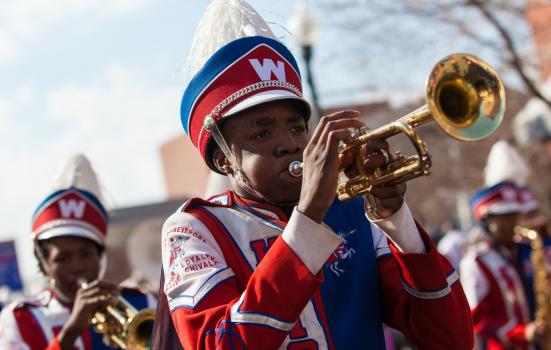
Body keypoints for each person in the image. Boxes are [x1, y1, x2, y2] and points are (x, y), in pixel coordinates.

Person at [152, 1, 473, 349]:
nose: (289, 144)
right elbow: (217, 343)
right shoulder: (194, 228)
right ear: (223, 159)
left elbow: (450, 339)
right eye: (262, 134)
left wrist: (396, 218)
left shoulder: (352, 212)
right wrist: (308, 219)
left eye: (297, 128)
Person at [0, 154, 156, 350]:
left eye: (86, 254)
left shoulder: (140, 302)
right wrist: (72, 330)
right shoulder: (22, 319)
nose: (78, 267)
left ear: (101, 257)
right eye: (63, 259)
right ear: (44, 266)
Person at [460, 181, 547, 349]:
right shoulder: (476, 261)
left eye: (514, 216)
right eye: (504, 218)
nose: (513, 223)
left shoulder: (528, 249)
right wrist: (522, 333)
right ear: (487, 221)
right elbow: (478, 319)